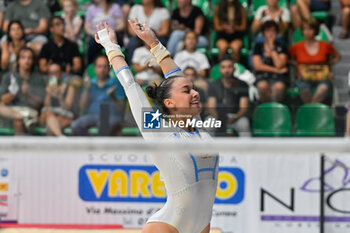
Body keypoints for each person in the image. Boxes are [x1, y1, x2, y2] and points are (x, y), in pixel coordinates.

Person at [94, 19, 219, 233]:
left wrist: (154, 43)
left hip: (201, 227)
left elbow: (176, 76)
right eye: (187, 91)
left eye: (193, 88)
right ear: (169, 103)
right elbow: (130, 85)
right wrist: (111, 46)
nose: (195, 92)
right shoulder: (159, 131)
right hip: (168, 226)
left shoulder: (196, 125)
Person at [71, 55, 126, 136]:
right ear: (94, 68)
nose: (102, 70)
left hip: (111, 117)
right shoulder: (89, 84)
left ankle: (98, 147)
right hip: (92, 116)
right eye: (99, 66)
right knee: (75, 126)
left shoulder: (116, 83)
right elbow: (82, 107)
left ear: (109, 68)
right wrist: (86, 89)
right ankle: (91, 146)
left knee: (103, 126)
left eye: (105, 67)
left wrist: (112, 96)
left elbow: (121, 109)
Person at [289, 18, 341, 104]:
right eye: (305, 29)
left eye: (310, 29)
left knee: (323, 88)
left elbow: (337, 56)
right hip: (303, 77)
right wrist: (296, 64)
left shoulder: (325, 45)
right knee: (304, 89)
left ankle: (310, 111)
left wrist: (328, 64)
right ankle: (314, 111)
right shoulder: (297, 47)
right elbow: (287, 58)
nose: (307, 32)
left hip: (321, 76)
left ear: (315, 30)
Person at [0, 47, 46, 135]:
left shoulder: (38, 78)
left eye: (29, 58)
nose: (26, 61)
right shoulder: (9, 76)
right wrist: (13, 94)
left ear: (33, 61)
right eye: (23, 58)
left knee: (18, 122)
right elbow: (2, 101)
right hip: (11, 112)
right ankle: (19, 116)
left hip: (30, 112)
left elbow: (40, 103)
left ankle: (20, 147)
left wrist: (27, 94)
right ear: (18, 60)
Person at [207, 56, 250, 137]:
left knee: (244, 125)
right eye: (223, 67)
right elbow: (210, 107)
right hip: (217, 116)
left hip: (236, 117)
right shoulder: (214, 85)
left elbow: (244, 108)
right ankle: (208, 149)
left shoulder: (242, 84)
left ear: (234, 68)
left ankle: (246, 149)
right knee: (208, 124)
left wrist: (235, 117)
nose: (226, 70)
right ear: (220, 69)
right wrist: (220, 118)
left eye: (229, 67)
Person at [252, 20, 288, 103]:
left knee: (279, 87)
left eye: (273, 31)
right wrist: (277, 70)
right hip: (262, 76)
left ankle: (275, 108)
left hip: (278, 77)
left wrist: (272, 48)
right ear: (264, 33)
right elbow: (257, 66)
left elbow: (279, 65)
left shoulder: (281, 47)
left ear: (277, 32)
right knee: (262, 86)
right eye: (268, 31)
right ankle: (266, 108)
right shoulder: (258, 46)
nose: (270, 33)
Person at [40, 63, 76, 136]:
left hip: (63, 115)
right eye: (51, 73)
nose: (54, 75)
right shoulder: (46, 86)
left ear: (61, 73)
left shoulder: (69, 86)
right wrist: (49, 93)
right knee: (48, 113)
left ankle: (59, 137)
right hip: (48, 115)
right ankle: (61, 137)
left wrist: (60, 96)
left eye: (56, 72)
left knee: (50, 127)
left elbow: (67, 107)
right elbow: (46, 106)